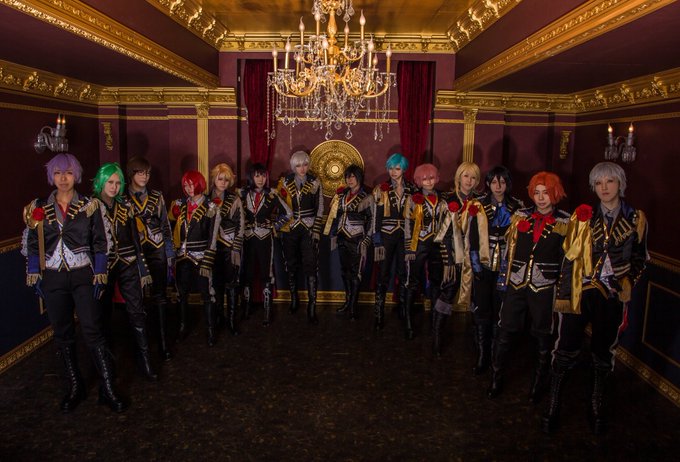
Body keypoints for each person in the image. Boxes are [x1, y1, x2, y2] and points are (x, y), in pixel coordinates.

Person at [543, 162, 648, 435]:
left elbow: (640, 258)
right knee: (565, 348)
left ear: (620, 184)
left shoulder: (635, 218)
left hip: (611, 294)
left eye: (609, 182)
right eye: (599, 183)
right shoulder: (583, 216)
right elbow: (569, 257)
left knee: (603, 353)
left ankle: (596, 405)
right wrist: (565, 294)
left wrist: (628, 281)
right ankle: (554, 405)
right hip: (582, 290)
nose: (604, 188)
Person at [22, 153, 127, 413]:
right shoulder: (38, 207)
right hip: (53, 277)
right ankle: (75, 386)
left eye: (68, 173)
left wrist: (100, 273)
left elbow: (101, 242)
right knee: (63, 334)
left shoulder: (90, 206)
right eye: (58, 173)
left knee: (92, 331)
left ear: (76, 175)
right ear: (52, 176)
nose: (63, 178)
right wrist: (35, 273)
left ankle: (108, 388)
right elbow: (33, 243)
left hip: (82, 275)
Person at [487, 171, 569, 402]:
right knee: (505, 331)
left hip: (544, 286)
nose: (541, 198)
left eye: (546, 193)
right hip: (516, 281)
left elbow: (567, 260)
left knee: (543, 336)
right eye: (537, 193)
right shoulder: (520, 216)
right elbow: (509, 250)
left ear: (555, 194)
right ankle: (496, 378)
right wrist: (504, 280)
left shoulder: (565, 222)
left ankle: (538, 383)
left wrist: (562, 291)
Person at [93, 163, 157, 382]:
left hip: (128, 262)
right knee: (103, 313)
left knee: (137, 311)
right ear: (101, 182)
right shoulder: (91, 206)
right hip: (104, 266)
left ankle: (145, 361)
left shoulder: (126, 206)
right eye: (110, 182)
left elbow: (135, 239)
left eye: (117, 182)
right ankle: (107, 363)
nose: (114, 186)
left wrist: (142, 266)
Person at [469, 166, 524, 375]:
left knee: (499, 308)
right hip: (484, 263)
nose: (498, 186)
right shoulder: (479, 205)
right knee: (482, 308)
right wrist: (476, 265)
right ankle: (482, 354)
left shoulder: (517, 207)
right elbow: (473, 237)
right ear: (488, 184)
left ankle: (495, 355)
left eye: (502, 182)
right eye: (494, 182)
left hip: (505, 265)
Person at [124, 156, 175, 361]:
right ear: (131, 174)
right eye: (140, 172)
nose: (144, 177)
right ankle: (142, 346)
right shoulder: (122, 197)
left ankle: (163, 343)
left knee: (160, 297)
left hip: (157, 248)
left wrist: (169, 254)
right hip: (134, 252)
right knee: (137, 300)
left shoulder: (157, 196)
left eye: (147, 173)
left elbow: (165, 226)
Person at [169, 170, 220, 346]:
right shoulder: (179, 205)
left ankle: (210, 330)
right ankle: (183, 327)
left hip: (201, 257)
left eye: (192, 184)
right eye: (186, 185)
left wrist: (208, 260)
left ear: (199, 184)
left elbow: (213, 237)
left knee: (207, 294)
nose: (189, 188)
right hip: (182, 258)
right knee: (181, 294)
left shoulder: (211, 207)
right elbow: (171, 229)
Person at [239, 163, 292, 326]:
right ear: (251, 177)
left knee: (266, 272)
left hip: (265, 237)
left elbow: (288, 213)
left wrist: (275, 226)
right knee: (247, 271)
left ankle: (267, 310)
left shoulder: (272, 194)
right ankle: (246, 307)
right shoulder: (241, 194)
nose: (260, 179)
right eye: (257, 176)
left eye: (263, 175)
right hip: (247, 237)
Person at [403, 163, 451, 341]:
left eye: (431, 178)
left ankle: (435, 322)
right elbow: (407, 224)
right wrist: (409, 247)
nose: (429, 182)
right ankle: (408, 322)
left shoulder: (443, 199)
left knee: (437, 283)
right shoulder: (413, 199)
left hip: (437, 245)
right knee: (412, 282)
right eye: (424, 179)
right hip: (419, 244)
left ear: (436, 178)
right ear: (418, 181)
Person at [277, 151, 324, 324]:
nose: (302, 168)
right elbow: (280, 206)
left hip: (309, 228)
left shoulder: (315, 182)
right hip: (290, 228)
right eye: (298, 165)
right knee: (291, 264)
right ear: (293, 167)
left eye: (304, 164)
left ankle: (312, 306)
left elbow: (320, 208)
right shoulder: (285, 182)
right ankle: (294, 300)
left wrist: (316, 229)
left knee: (311, 265)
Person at [371, 153, 417, 331]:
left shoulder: (412, 189)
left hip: (405, 237)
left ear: (403, 169)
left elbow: (416, 216)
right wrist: (377, 239)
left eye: (397, 168)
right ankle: (378, 314)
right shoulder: (381, 189)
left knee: (404, 274)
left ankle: (404, 311)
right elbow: (376, 216)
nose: (393, 172)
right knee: (383, 274)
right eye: (391, 168)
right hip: (386, 237)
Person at [324, 165, 374, 321]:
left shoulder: (367, 196)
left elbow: (372, 219)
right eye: (347, 177)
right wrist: (334, 233)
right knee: (345, 272)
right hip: (342, 238)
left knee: (355, 274)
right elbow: (335, 216)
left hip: (357, 240)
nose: (350, 179)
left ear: (359, 177)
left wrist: (367, 239)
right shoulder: (342, 195)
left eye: (352, 176)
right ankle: (347, 301)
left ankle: (353, 306)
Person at [209, 163, 244, 336]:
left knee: (231, 285)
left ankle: (231, 320)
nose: (223, 182)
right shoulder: (206, 198)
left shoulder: (234, 199)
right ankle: (217, 318)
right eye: (220, 179)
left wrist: (236, 248)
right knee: (215, 285)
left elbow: (240, 225)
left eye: (226, 179)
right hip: (213, 249)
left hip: (230, 248)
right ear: (214, 179)